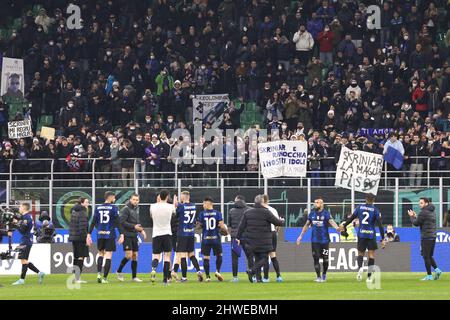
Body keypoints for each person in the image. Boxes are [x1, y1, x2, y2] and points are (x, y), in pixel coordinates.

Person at [236, 195, 284, 283]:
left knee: (257, 258)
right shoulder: (266, 212)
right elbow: (277, 222)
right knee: (264, 259)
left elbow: (241, 226)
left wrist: (238, 237)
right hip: (263, 240)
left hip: (251, 240)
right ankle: (252, 271)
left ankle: (259, 279)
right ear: (262, 202)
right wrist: (282, 221)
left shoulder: (247, 212)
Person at [340, 194, 385, 283]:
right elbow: (380, 225)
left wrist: (344, 225)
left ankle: (360, 269)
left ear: (365, 199)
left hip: (361, 234)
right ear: (373, 200)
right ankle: (369, 277)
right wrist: (383, 238)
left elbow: (351, 218)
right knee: (371, 255)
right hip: (371, 235)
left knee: (360, 254)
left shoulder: (359, 208)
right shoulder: (375, 210)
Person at [296, 196, 340, 282]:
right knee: (316, 258)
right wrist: (300, 236)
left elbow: (332, 222)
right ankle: (318, 277)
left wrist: (338, 228)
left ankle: (324, 275)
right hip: (315, 241)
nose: (314, 204)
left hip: (324, 241)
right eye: (314, 203)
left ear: (321, 204)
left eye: (316, 203)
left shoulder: (326, 213)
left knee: (325, 259)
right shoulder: (312, 213)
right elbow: (306, 225)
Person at [87, 191, 123, 284]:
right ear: (110, 198)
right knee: (108, 256)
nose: (114, 199)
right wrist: (121, 234)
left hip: (100, 234)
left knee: (100, 254)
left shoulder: (98, 207)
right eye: (114, 198)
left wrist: (89, 234)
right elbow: (118, 222)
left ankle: (98, 274)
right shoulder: (114, 208)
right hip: (110, 234)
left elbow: (93, 222)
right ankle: (105, 278)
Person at [408, 198, 442, 281]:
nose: (420, 204)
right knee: (429, 256)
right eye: (419, 203)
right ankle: (437, 270)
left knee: (425, 256)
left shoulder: (423, 212)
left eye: (421, 203)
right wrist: (416, 216)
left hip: (426, 237)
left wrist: (412, 216)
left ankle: (429, 276)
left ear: (426, 203)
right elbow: (423, 220)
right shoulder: (432, 211)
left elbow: (416, 223)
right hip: (432, 236)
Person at [11, 202, 45, 285]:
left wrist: (16, 223)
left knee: (24, 260)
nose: (19, 208)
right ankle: (39, 273)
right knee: (24, 260)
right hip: (26, 240)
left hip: (26, 240)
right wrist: (18, 223)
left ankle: (22, 280)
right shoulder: (26, 217)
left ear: (23, 208)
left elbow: (23, 230)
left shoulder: (26, 218)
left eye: (20, 207)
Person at [174, 191, 203, 282]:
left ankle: (184, 277)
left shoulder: (181, 206)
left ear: (183, 197)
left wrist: (176, 205)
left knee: (183, 256)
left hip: (182, 233)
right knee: (191, 254)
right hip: (191, 233)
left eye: (181, 197)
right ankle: (198, 271)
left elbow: (176, 215)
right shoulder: (194, 206)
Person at [116, 193, 146, 282]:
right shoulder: (126, 209)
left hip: (134, 235)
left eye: (137, 200)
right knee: (128, 255)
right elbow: (122, 222)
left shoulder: (136, 210)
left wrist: (141, 230)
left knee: (135, 256)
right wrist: (134, 227)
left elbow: (136, 223)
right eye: (134, 199)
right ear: (130, 200)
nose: (135, 201)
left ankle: (134, 277)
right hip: (127, 235)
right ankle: (119, 271)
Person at [197, 197, 227, 282]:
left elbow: (198, 226)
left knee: (206, 257)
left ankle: (207, 277)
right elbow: (221, 225)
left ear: (208, 204)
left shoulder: (202, 214)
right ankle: (217, 271)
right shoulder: (218, 213)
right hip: (215, 238)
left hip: (206, 239)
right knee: (219, 255)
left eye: (204, 204)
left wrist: (201, 225)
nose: (203, 205)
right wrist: (225, 231)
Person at [149, 189, 176, 285]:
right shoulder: (170, 206)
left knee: (156, 256)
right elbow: (174, 214)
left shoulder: (152, 206)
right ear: (167, 197)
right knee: (167, 257)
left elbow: (151, 217)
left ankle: (153, 269)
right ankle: (165, 280)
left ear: (159, 197)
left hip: (156, 233)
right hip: (167, 233)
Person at [228, 195, 254, 282]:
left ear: (237, 200)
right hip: (247, 237)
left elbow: (230, 225)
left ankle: (235, 277)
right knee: (250, 257)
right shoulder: (250, 210)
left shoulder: (231, 211)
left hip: (235, 237)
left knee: (234, 258)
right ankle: (253, 276)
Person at [261, 194, 283, 283]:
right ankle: (279, 276)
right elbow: (278, 223)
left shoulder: (261, 210)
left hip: (265, 234)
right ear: (268, 201)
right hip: (273, 233)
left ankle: (266, 277)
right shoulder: (273, 210)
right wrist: (276, 232)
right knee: (273, 255)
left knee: (265, 256)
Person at [68, 197, 90, 284]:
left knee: (76, 256)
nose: (88, 204)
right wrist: (86, 238)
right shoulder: (83, 212)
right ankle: (77, 278)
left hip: (74, 237)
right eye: (86, 202)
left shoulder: (74, 211)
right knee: (81, 256)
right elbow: (83, 227)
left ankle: (74, 276)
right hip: (81, 237)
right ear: (82, 203)